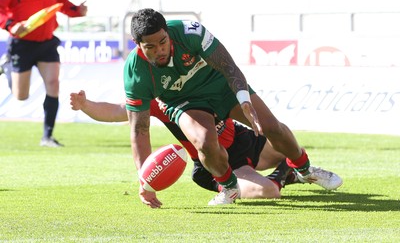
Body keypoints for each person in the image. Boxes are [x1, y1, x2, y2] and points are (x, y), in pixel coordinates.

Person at [123, 8, 341, 207]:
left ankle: (304, 170)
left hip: (222, 86)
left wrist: (244, 100)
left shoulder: (190, 32)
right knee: (204, 141)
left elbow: (229, 67)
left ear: (168, 33)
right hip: (186, 103)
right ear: (137, 43)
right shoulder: (135, 73)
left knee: (272, 127)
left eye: (163, 42)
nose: (160, 50)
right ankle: (229, 188)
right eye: (150, 47)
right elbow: (139, 130)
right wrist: (146, 182)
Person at [70, 90, 342, 201]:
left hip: (244, 141)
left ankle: (295, 169)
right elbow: (119, 111)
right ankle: (286, 174)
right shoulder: (158, 99)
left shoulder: (203, 79)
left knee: (283, 138)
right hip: (216, 163)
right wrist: (86, 106)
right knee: (269, 192)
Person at [0, 0, 87, 147]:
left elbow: (60, 2)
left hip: (47, 42)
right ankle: (7, 65)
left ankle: (47, 137)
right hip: (21, 44)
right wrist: (10, 25)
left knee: (53, 84)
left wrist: (77, 11)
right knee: (21, 95)